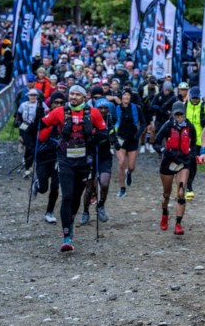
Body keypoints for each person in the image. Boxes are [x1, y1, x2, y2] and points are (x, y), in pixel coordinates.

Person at [38, 85, 108, 251]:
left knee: (77, 197)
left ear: (84, 97)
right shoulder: (60, 111)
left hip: (84, 160)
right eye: (71, 94)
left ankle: (71, 220)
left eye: (77, 94)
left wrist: (96, 138)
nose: (73, 97)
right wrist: (37, 122)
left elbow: (104, 133)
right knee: (67, 196)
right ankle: (66, 236)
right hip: (65, 159)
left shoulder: (93, 113)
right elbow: (43, 124)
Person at [152, 101, 197, 236]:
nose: (179, 117)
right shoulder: (167, 126)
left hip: (183, 163)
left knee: (181, 192)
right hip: (168, 163)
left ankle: (178, 223)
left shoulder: (190, 127)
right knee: (166, 194)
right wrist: (163, 150)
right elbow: (156, 142)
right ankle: (165, 213)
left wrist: (191, 156)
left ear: (184, 113)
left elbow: (194, 144)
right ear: (172, 114)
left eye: (181, 114)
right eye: (176, 114)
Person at [80, 98, 115, 226]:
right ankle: (85, 211)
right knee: (89, 186)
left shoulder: (110, 119)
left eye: (106, 108)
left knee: (104, 184)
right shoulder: (88, 118)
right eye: (101, 108)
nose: (104, 110)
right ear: (95, 108)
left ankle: (100, 206)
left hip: (105, 156)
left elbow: (113, 134)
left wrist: (113, 139)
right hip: (90, 155)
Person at [33, 91, 65, 224]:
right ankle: (37, 184)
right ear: (51, 104)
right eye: (56, 102)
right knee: (43, 188)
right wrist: (47, 120)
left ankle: (49, 212)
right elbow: (39, 136)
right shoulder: (45, 117)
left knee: (55, 186)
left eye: (61, 103)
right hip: (43, 156)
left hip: (59, 157)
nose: (58, 105)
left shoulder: (66, 118)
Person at [185, 86, 205, 200]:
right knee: (190, 163)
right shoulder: (184, 105)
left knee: (201, 162)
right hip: (187, 141)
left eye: (197, 98)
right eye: (193, 98)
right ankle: (189, 187)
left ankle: (190, 184)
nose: (195, 100)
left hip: (200, 141)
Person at [113, 89, 145, 197]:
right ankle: (122, 188)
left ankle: (129, 173)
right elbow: (111, 123)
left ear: (130, 97)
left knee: (131, 166)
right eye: (124, 95)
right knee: (121, 162)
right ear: (121, 97)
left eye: (128, 95)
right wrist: (113, 139)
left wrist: (138, 134)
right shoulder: (116, 109)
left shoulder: (137, 108)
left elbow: (143, 123)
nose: (126, 97)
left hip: (133, 139)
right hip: (121, 138)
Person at [17, 89, 44, 178]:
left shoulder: (41, 104)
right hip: (26, 127)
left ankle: (33, 166)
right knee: (29, 147)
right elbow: (19, 117)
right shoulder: (23, 105)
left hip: (36, 127)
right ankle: (27, 167)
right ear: (28, 96)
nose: (33, 97)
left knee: (36, 147)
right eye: (31, 95)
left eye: (35, 95)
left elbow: (47, 113)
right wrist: (20, 134)